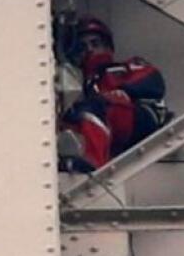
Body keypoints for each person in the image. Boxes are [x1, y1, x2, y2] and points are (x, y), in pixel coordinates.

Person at [57, 17, 170, 173]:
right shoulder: (84, 84)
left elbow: (152, 79)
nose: (90, 49)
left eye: (95, 43)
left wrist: (126, 91)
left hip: (142, 115)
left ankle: (92, 164)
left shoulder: (124, 67)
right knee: (74, 115)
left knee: (92, 109)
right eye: (83, 47)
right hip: (114, 125)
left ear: (107, 46)